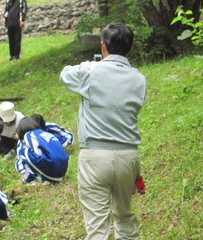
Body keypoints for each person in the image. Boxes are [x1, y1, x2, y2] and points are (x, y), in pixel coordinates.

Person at [60, 22, 147, 240]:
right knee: (125, 216)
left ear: (103, 46)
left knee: (97, 225)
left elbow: (65, 74)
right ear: (130, 48)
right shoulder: (139, 79)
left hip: (95, 156)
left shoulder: (90, 71)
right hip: (129, 155)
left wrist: (93, 63)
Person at [15, 117, 69, 184]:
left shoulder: (28, 135)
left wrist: (26, 178)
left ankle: (32, 178)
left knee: (23, 152)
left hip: (52, 167)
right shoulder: (43, 132)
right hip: (63, 167)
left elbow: (38, 153)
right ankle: (48, 177)